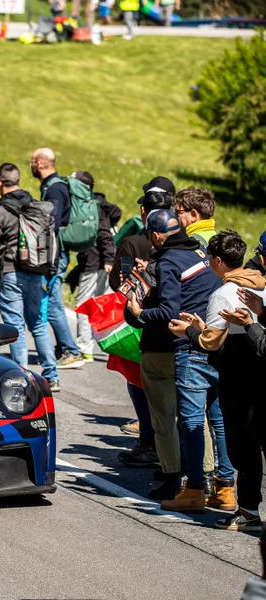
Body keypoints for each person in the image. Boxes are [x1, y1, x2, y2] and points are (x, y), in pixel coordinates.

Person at [126, 209, 222, 504]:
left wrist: (140, 312)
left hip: (162, 348)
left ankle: (172, 477)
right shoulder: (201, 253)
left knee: (164, 418)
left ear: (156, 236)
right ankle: (204, 476)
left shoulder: (165, 263)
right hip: (198, 342)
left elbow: (167, 309)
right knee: (197, 417)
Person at [172, 230, 266, 527]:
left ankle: (249, 510)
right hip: (261, 378)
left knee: (244, 449)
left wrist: (188, 331)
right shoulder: (261, 287)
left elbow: (209, 342)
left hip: (240, 383)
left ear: (216, 261)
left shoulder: (223, 293)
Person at [0, 162, 60, 391]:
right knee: (38, 324)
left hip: (10, 272)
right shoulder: (36, 206)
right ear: (19, 181)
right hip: (36, 272)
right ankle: (52, 375)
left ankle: (22, 377)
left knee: (15, 325)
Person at [110, 178, 174, 467]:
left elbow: (118, 283)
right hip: (182, 326)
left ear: (144, 212)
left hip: (142, 324)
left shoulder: (134, 242)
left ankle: (149, 443)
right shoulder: (191, 243)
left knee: (139, 383)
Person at [30, 148, 83, 369]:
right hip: (57, 253)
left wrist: (48, 262)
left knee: (52, 303)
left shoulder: (55, 189)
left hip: (54, 254)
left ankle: (71, 351)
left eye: (33, 161)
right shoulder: (54, 186)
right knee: (53, 302)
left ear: (42, 163)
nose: (31, 165)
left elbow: (51, 224)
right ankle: (65, 349)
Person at [68, 171, 119, 362]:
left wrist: (108, 260)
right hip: (96, 262)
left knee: (83, 305)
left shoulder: (93, 207)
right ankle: (98, 346)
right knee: (96, 306)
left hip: (96, 263)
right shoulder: (93, 205)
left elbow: (104, 234)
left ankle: (84, 349)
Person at [173, 186, 216, 251]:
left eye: (178, 212)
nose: (175, 216)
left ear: (193, 215)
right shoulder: (215, 237)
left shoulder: (189, 245)